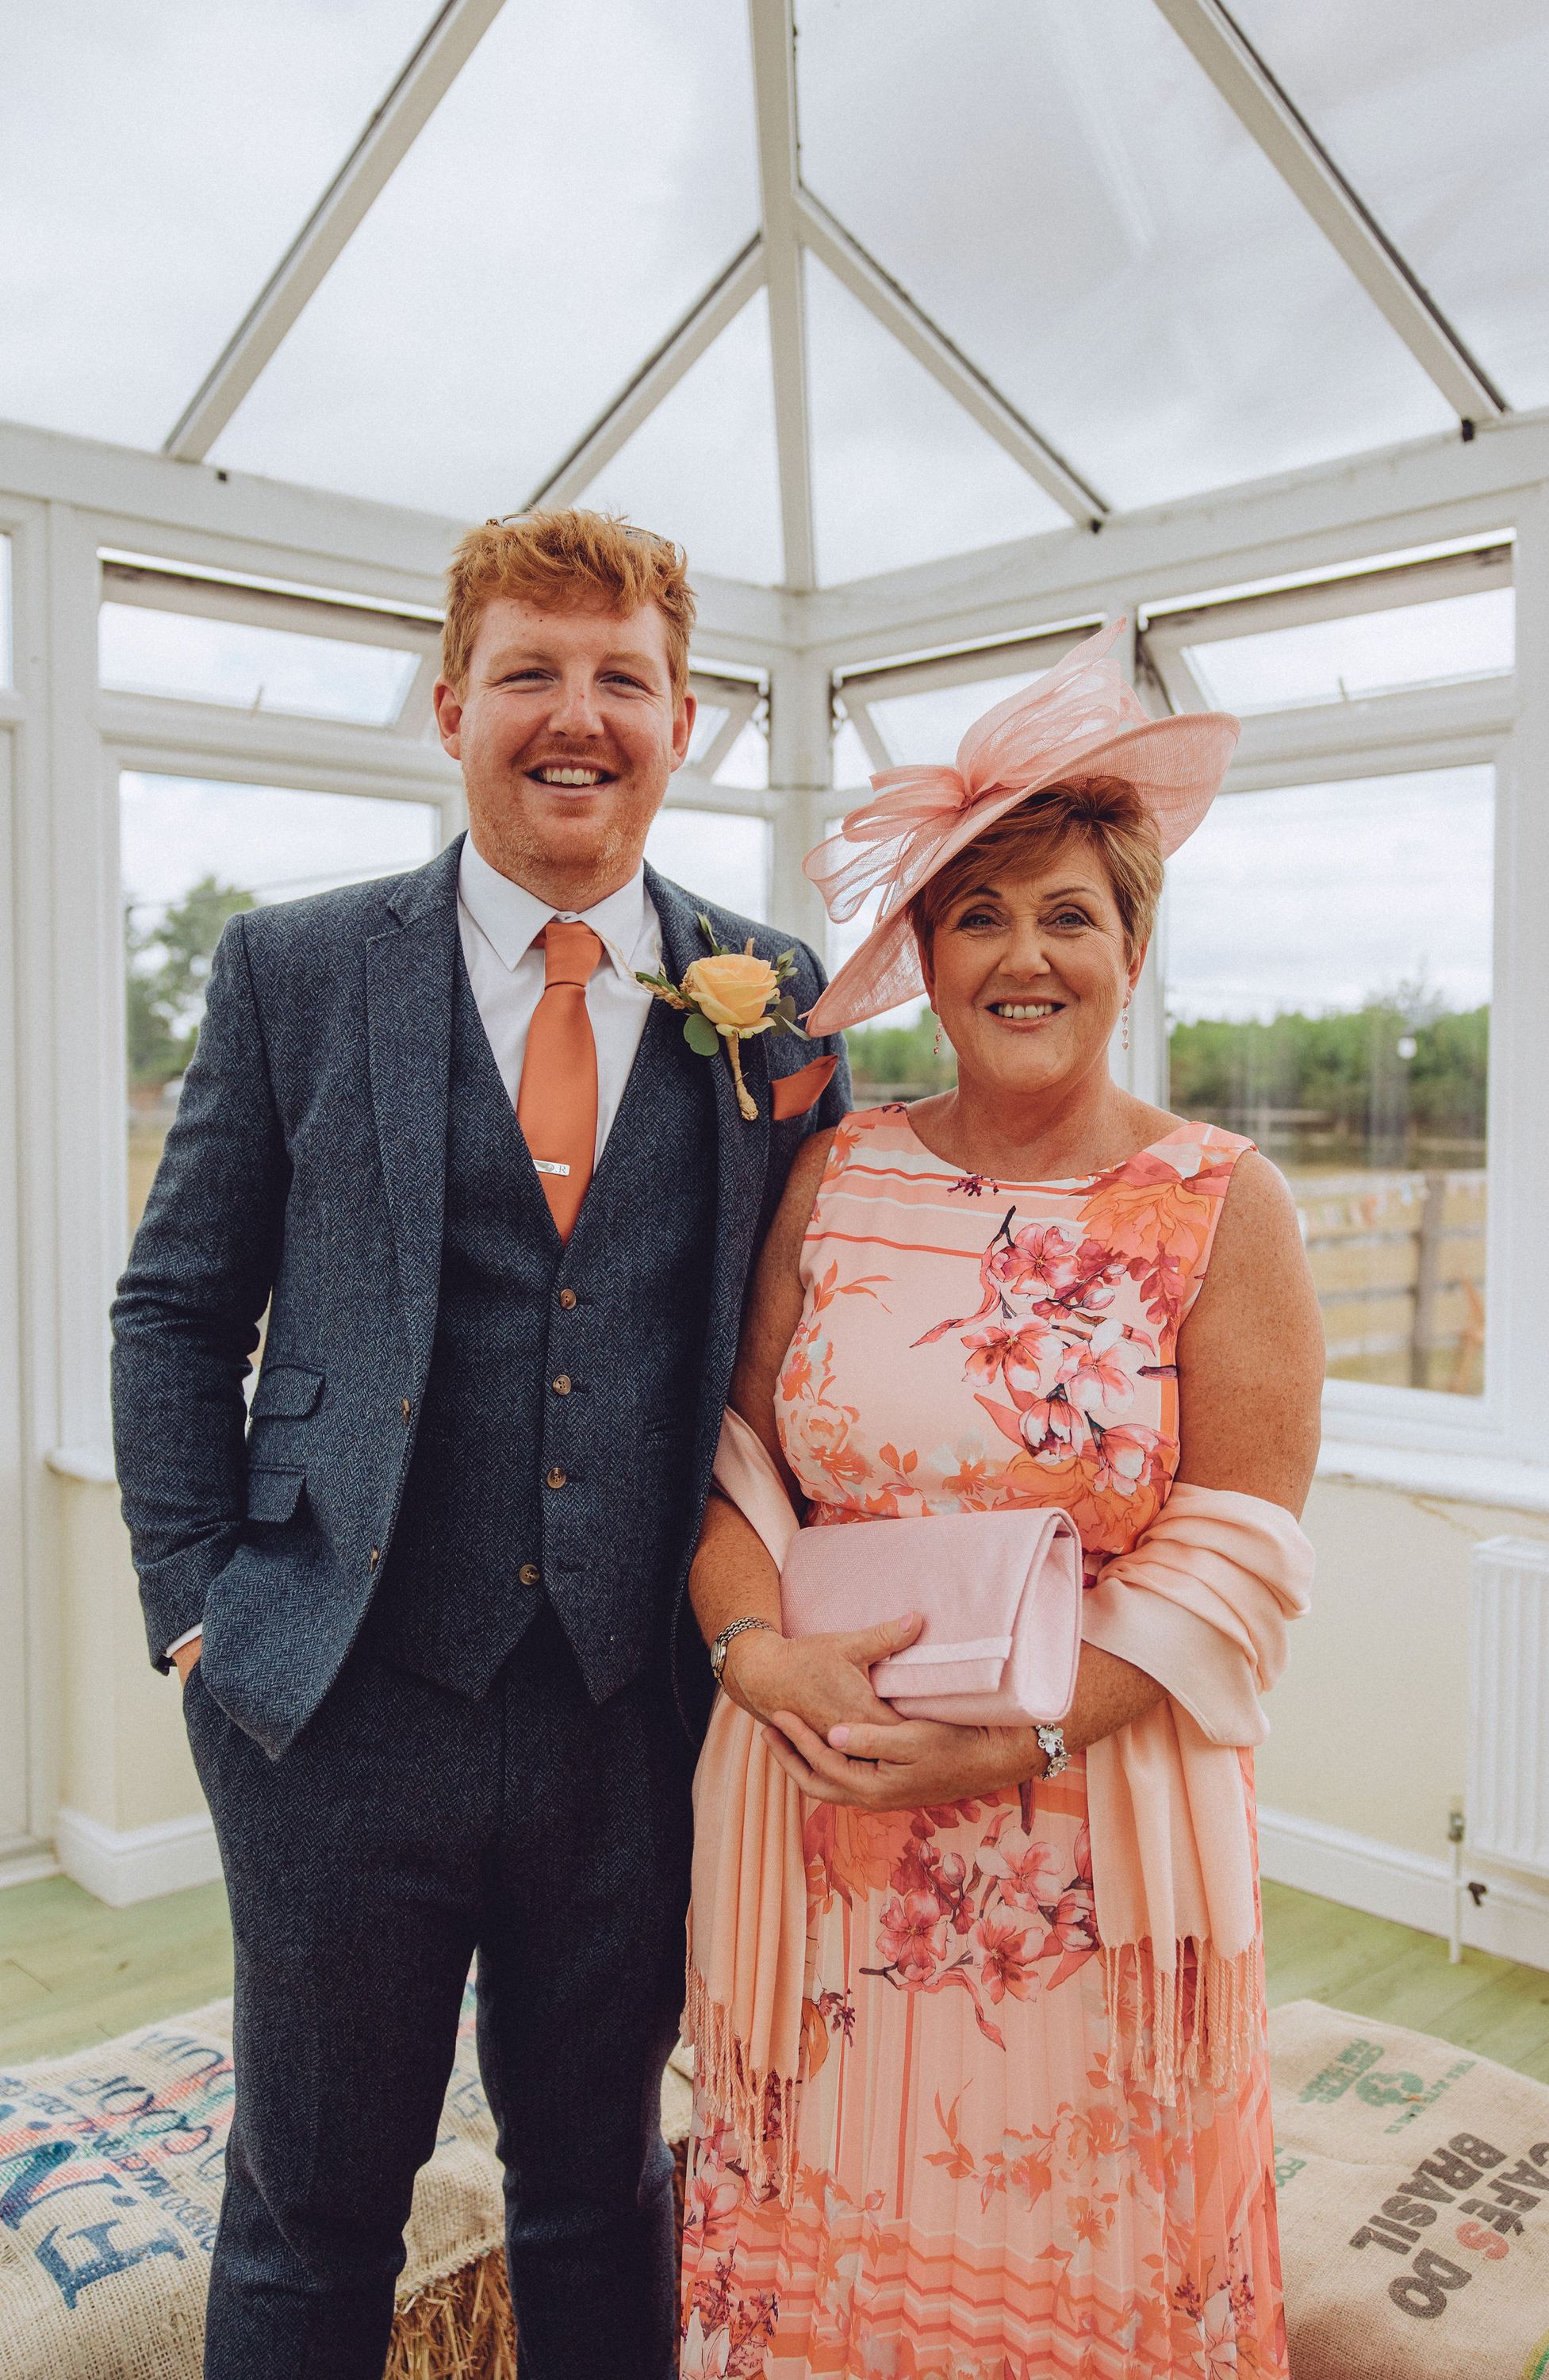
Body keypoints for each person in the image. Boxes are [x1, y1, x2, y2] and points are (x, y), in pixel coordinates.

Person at [109, 509, 849, 2380]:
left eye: (623, 680)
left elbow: (811, 1333)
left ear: (689, 722)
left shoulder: (778, 997)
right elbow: (178, 1308)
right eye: (530, 671)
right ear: (453, 705)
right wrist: (199, 1614)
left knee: (602, 2190)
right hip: (333, 1707)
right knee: (311, 2213)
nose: (574, 715)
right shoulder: (294, 969)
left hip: (631, 1718)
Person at [679, 623, 1325, 2378]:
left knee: (1080, 2270)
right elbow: (733, 1458)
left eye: (1068, 916)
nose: (1023, 957)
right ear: (929, 957)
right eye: (979, 915)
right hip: (825, 1821)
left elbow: (1242, 1544)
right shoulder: (840, 1172)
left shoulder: (1216, 1202)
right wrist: (750, 1655)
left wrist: (1022, 1740)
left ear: (1129, 949)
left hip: (1088, 1846)